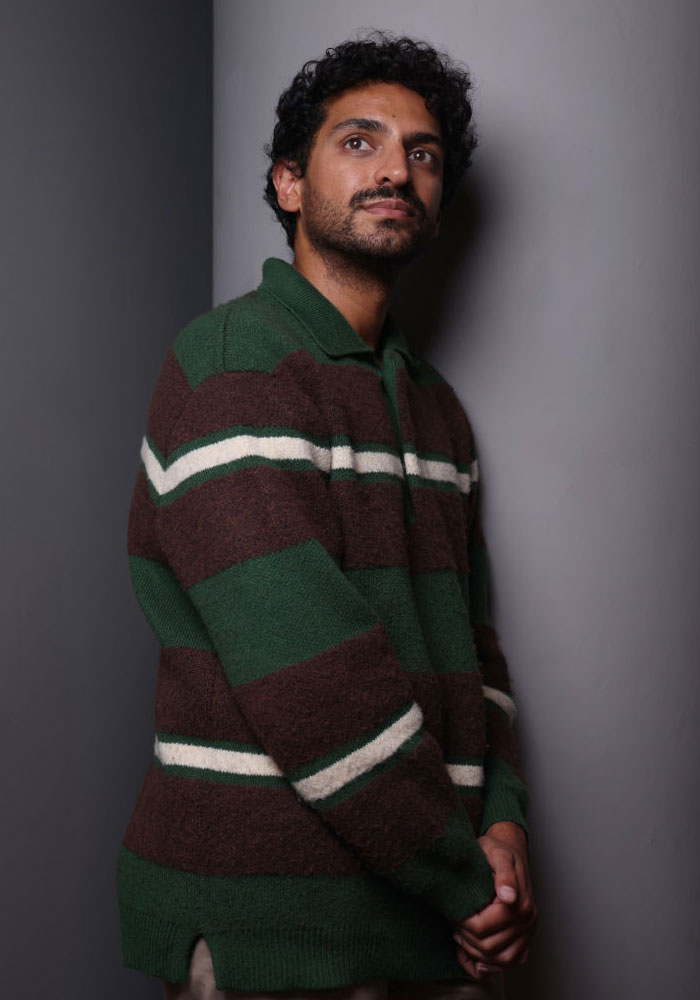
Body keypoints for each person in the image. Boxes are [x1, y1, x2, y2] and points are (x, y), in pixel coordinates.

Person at [117, 32, 536, 1000]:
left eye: (422, 152)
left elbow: (474, 654)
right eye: (359, 141)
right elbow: (309, 677)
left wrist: (504, 819)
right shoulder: (234, 363)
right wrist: (466, 878)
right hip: (276, 922)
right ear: (289, 183)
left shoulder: (434, 406)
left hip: (432, 918)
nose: (397, 167)